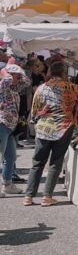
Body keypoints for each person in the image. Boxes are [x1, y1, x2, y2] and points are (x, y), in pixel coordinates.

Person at [25, 60, 78, 206]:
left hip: (44, 129)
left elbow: (34, 112)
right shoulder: (69, 86)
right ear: (63, 72)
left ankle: (28, 196)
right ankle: (47, 197)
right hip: (63, 128)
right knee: (55, 163)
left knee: (37, 163)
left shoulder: (41, 88)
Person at [0, 64, 30, 196]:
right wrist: (5, 69)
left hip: (10, 127)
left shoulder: (13, 88)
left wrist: (19, 71)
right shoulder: (3, 85)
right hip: (2, 124)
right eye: (16, 76)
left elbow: (27, 81)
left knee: (11, 157)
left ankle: (7, 185)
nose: (19, 78)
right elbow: (6, 79)